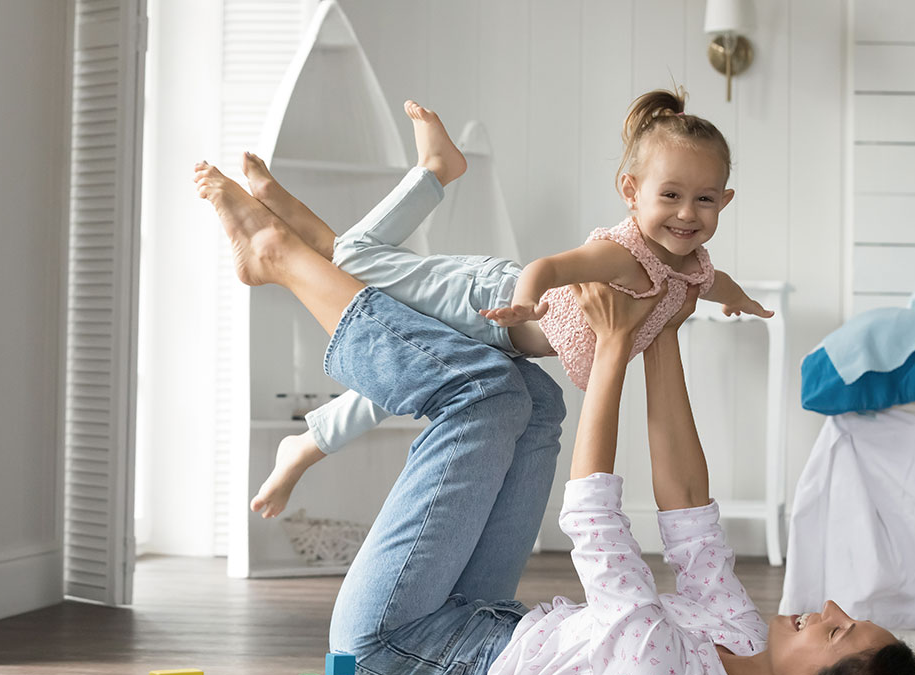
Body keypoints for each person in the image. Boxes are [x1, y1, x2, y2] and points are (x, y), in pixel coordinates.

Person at [193, 168, 915, 675]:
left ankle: (278, 258)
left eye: (839, 630)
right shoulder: (744, 642)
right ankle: (310, 261)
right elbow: (690, 514)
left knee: (480, 396)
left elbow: (598, 530)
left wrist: (611, 352)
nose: (833, 607)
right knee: (531, 401)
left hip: (400, 654)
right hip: (484, 621)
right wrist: (664, 329)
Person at [219, 90, 771, 519]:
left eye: (704, 199)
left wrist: (740, 299)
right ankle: (431, 172)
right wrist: (528, 302)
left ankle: (307, 444)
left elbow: (713, 282)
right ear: (632, 193)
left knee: (400, 377)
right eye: (670, 195)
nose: (687, 213)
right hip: (486, 300)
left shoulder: (690, 266)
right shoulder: (620, 254)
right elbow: (548, 268)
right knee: (355, 260)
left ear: (724, 200)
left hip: (497, 339)